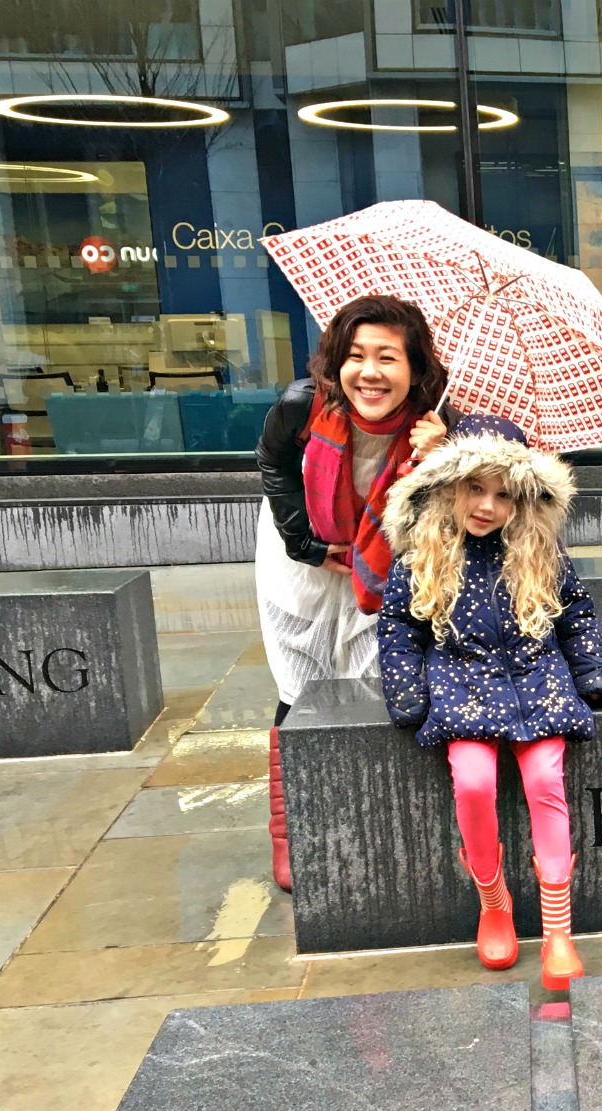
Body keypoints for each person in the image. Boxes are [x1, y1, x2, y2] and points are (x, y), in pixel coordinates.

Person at [375, 426, 602, 993]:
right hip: (464, 685)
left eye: (503, 493)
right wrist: (409, 696)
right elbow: (399, 629)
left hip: (539, 683)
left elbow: (575, 614)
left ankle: (559, 930)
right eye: (474, 489)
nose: (487, 506)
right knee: (475, 782)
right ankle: (494, 902)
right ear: (449, 488)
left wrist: (592, 676)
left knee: (543, 779)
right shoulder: (422, 554)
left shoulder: (539, 550)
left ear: (523, 500)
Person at [254, 295, 448, 890]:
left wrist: (440, 459)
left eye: (388, 357)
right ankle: (291, 829)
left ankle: (369, 813)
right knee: (301, 684)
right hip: (303, 556)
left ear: (415, 369)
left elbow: (457, 513)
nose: (369, 372)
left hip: (383, 562)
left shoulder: (434, 426)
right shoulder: (302, 406)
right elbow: (273, 466)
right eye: (356, 355)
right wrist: (309, 547)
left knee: (374, 683)